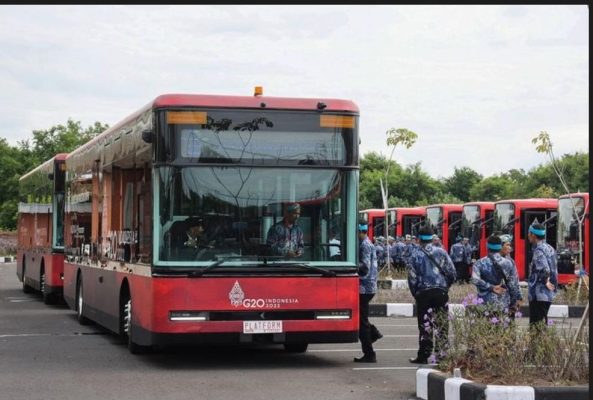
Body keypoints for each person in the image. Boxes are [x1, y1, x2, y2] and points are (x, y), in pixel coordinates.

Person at [407, 224, 456, 364]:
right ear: (432, 238)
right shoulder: (441, 252)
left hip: (423, 293)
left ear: (418, 239)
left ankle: (424, 355)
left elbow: (412, 278)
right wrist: (445, 287)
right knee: (442, 323)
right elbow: (452, 272)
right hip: (441, 292)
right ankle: (441, 355)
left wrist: (416, 293)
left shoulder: (414, 254)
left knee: (425, 324)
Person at [471, 235, 522, 318]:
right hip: (503, 304)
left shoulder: (479, 263)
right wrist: (515, 302)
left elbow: (475, 280)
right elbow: (513, 284)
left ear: (487, 246)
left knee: (485, 329)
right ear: (499, 247)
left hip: (484, 304)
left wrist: (491, 287)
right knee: (502, 329)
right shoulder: (508, 263)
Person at [354, 221, 382, 363]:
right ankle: (373, 334)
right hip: (367, 287)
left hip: (364, 287)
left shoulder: (365, 245)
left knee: (361, 321)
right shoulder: (366, 243)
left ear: (359, 231)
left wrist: (350, 266)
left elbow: (364, 267)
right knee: (361, 318)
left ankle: (369, 353)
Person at [527, 222, 558, 328]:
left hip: (539, 294)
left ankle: (537, 345)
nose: (528, 236)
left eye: (529, 233)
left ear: (533, 235)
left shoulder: (538, 251)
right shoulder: (550, 248)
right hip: (548, 294)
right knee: (541, 324)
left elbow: (545, 269)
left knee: (536, 326)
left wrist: (546, 281)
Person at [499, 233, 523, 319]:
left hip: (508, 300)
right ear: (500, 246)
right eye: (507, 245)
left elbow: (516, 280)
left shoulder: (510, 261)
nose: (510, 247)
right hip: (500, 300)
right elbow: (512, 283)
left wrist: (519, 297)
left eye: (510, 245)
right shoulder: (496, 261)